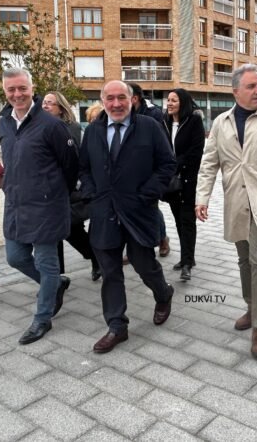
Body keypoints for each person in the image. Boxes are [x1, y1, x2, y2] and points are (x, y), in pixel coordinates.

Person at [195, 64, 257, 359]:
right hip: (236, 202)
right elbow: (209, 163)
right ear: (235, 91)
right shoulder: (221, 123)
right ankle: (252, 307)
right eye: (252, 86)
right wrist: (202, 198)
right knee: (244, 260)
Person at [79, 80, 176, 354]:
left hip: (138, 211)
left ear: (131, 99)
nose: (116, 103)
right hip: (104, 213)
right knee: (110, 272)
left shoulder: (149, 127)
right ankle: (116, 326)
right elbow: (83, 167)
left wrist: (147, 193)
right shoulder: (93, 131)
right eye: (110, 98)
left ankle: (163, 293)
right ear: (103, 101)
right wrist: (91, 194)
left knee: (144, 264)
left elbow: (167, 164)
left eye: (121, 97)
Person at [0, 68, 79, 345]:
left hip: (47, 206)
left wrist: (52, 192)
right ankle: (55, 282)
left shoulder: (51, 125)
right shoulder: (4, 123)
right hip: (16, 204)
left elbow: (71, 165)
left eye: (22, 88)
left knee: (46, 262)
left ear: (32, 89)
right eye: (11, 89)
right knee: (15, 257)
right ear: (5, 91)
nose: (17, 94)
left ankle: (43, 318)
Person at [42, 91, 101, 282]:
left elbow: (85, 157)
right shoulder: (38, 127)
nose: (45, 106)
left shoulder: (74, 129)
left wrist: (82, 182)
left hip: (71, 188)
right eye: (44, 102)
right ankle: (56, 277)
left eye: (50, 103)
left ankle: (96, 258)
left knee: (72, 230)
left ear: (61, 108)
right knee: (54, 234)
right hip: (47, 189)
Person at [162, 88, 205, 281]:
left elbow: (196, 151)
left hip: (187, 180)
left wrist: (174, 164)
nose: (169, 103)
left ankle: (187, 263)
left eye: (174, 100)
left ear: (183, 103)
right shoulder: (164, 121)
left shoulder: (194, 121)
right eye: (168, 100)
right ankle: (187, 257)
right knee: (178, 220)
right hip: (171, 182)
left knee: (187, 220)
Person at [128, 82, 170, 257]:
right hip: (129, 170)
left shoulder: (153, 114)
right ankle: (134, 246)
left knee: (151, 207)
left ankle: (162, 239)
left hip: (149, 169)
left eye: (123, 96)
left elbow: (161, 145)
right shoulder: (124, 113)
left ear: (134, 98)